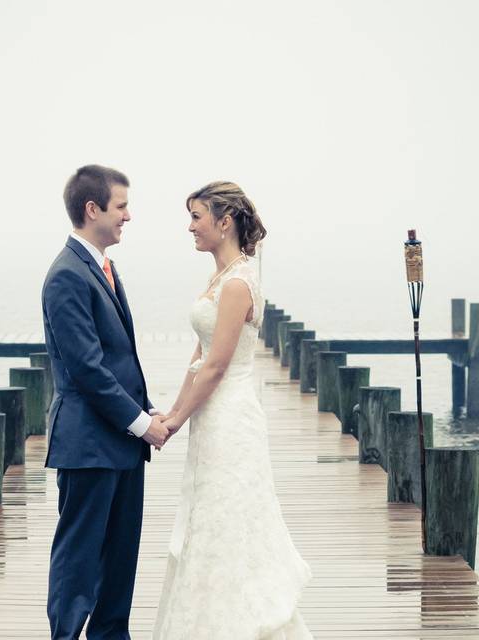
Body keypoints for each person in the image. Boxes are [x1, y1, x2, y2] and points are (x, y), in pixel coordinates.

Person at [153, 181, 313, 639]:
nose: (190, 226)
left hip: (230, 416)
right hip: (210, 414)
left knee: (231, 515)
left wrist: (176, 422)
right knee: (206, 514)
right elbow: (198, 356)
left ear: (224, 222)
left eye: (197, 216)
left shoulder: (240, 282)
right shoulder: (220, 278)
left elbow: (219, 364)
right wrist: (172, 411)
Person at [41, 164, 169, 639]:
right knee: (79, 557)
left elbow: (119, 359)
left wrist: (147, 409)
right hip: (88, 445)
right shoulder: (66, 276)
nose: (128, 216)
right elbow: (87, 370)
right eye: (121, 206)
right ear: (91, 209)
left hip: (120, 444)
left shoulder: (103, 268)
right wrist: (141, 424)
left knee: (119, 557)